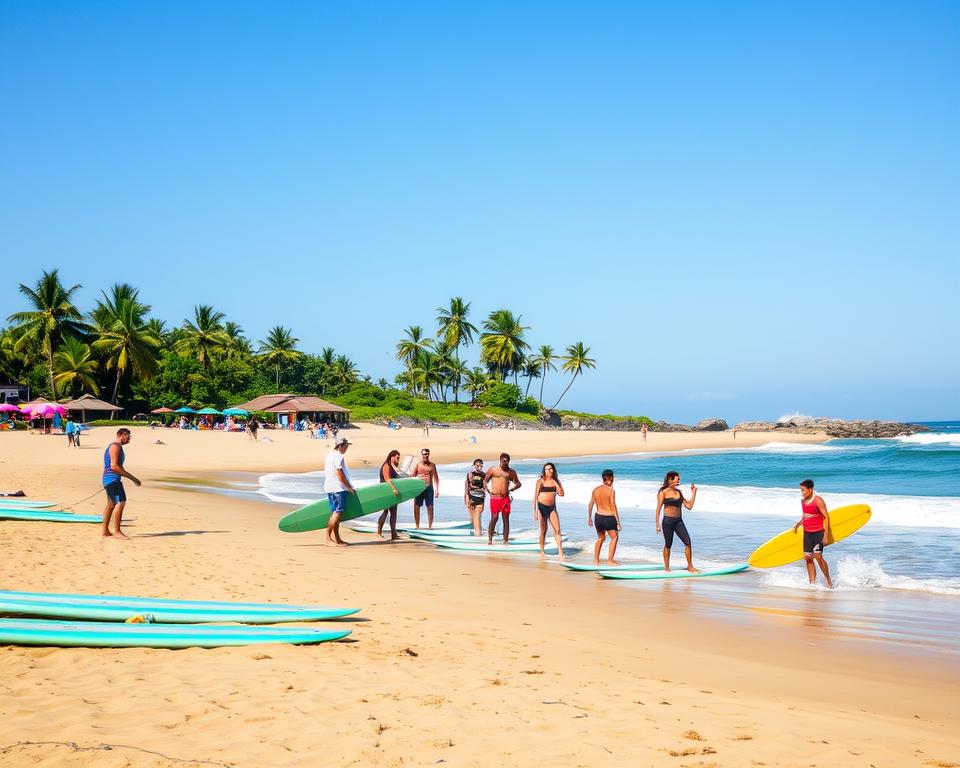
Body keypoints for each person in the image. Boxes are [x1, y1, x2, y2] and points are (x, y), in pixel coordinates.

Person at [101, 428, 141, 539]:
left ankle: (105, 531)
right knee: (121, 502)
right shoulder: (115, 446)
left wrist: (132, 478)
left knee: (111, 504)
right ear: (119, 435)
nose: (128, 438)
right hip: (112, 479)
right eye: (127, 435)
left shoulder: (118, 447)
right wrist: (132, 478)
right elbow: (114, 466)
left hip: (110, 479)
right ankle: (117, 532)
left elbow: (119, 466)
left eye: (129, 436)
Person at [655, 471, 699, 572]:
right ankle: (667, 568)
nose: (679, 480)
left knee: (687, 542)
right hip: (668, 522)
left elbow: (689, 506)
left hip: (678, 521)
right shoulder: (663, 492)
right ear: (671, 479)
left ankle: (690, 566)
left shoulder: (679, 492)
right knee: (668, 544)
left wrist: (694, 493)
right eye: (677, 478)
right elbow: (658, 509)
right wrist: (657, 524)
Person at [792, 479, 833, 588]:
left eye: (804, 490)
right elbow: (805, 516)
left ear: (811, 489)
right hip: (807, 534)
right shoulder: (803, 501)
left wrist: (825, 535)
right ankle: (812, 584)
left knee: (818, 556)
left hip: (818, 533)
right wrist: (797, 525)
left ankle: (828, 580)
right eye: (801, 490)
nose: (802, 492)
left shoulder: (818, 500)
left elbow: (826, 517)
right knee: (808, 558)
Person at [324, 436, 356, 546]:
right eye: (346, 445)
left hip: (330, 487)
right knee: (337, 513)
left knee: (336, 513)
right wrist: (349, 487)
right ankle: (328, 539)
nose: (347, 448)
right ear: (341, 446)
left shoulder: (330, 455)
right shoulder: (338, 457)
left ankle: (337, 539)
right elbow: (339, 474)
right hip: (338, 488)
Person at [485, 452, 521, 544]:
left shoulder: (511, 472)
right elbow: (485, 481)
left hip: (505, 499)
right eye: (503, 460)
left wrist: (511, 489)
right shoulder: (493, 470)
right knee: (494, 517)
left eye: (507, 461)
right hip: (495, 498)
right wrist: (488, 491)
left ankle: (505, 541)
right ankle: (490, 539)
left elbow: (518, 484)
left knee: (506, 519)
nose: (505, 462)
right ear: (500, 460)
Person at [533, 462, 565, 559]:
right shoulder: (540, 481)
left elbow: (562, 493)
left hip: (552, 508)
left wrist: (556, 483)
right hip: (541, 507)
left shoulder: (557, 481)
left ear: (553, 470)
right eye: (546, 469)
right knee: (543, 530)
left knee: (558, 530)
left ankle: (561, 553)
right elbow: (535, 497)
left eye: (550, 469)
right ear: (544, 470)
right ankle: (542, 552)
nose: (549, 471)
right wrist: (535, 511)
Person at [588, 469, 621, 564]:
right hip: (609, 518)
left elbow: (590, 504)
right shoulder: (611, 491)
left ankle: (596, 560)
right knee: (614, 537)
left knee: (600, 538)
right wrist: (618, 522)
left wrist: (589, 518)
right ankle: (610, 560)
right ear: (611, 478)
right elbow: (613, 506)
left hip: (598, 517)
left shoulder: (595, 490)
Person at [376, 450, 402, 540]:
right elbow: (387, 479)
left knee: (394, 513)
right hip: (386, 492)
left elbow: (396, 478)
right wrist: (394, 489)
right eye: (397, 458)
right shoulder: (386, 465)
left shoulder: (393, 466)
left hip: (393, 493)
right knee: (385, 511)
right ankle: (378, 533)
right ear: (392, 457)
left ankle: (393, 534)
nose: (398, 459)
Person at [412, 448, 440, 528]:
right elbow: (412, 476)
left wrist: (437, 490)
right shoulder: (418, 464)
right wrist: (412, 489)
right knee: (417, 506)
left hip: (429, 489)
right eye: (424, 454)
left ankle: (430, 526)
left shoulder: (432, 465)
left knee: (430, 507)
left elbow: (436, 478)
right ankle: (417, 526)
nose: (426, 455)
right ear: (422, 455)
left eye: (427, 454)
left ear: (429, 454)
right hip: (419, 488)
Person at [463, 458, 487, 536]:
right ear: (474, 466)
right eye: (477, 466)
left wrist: (483, 490)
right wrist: (466, 497)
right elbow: (467, 486)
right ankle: (478, 531)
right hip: (471, 497)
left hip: (480, 498)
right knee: (473, 518)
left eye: (481, 466)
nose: (479, 468)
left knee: (477, 517)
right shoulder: (470, 474)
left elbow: (485, 488)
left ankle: (478, 534)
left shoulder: (484, 475)